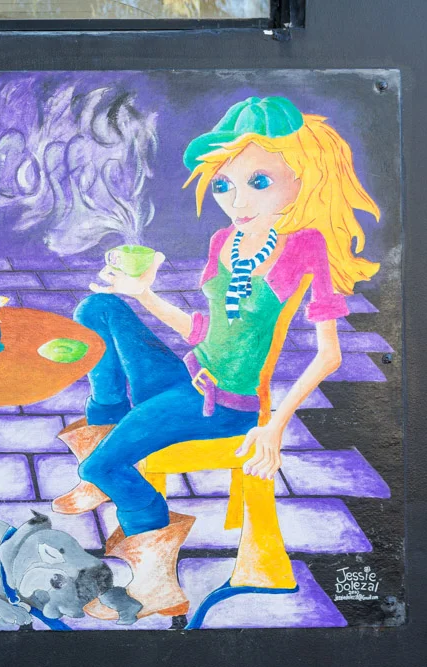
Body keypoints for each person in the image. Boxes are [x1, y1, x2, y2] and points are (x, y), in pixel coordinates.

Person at [54, 96, 380, 619]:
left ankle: (157, 581)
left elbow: (329, 355)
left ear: (302, 178)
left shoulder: (305, 246)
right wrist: (143, 294)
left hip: (224, 406)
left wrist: (272, 426)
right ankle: (107, 438)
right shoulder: (223, 239)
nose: (237, 199)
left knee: (103, 463)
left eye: (259, 181)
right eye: (225, 184)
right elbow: (204, 330)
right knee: (99, 307)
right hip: (187, 374)